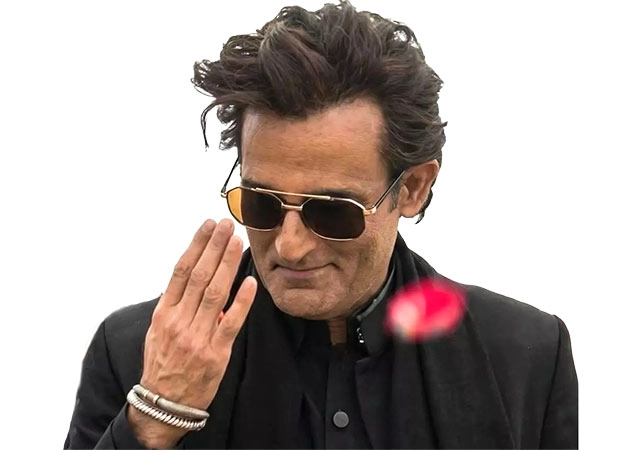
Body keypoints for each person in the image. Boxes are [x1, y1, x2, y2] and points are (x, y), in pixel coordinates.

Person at [64, 1, 578, 448]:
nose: (289, 246)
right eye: (262, 204)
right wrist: (154, 420)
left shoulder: (525, 355)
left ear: (413, 188)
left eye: (332, 211)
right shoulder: (137, 353)